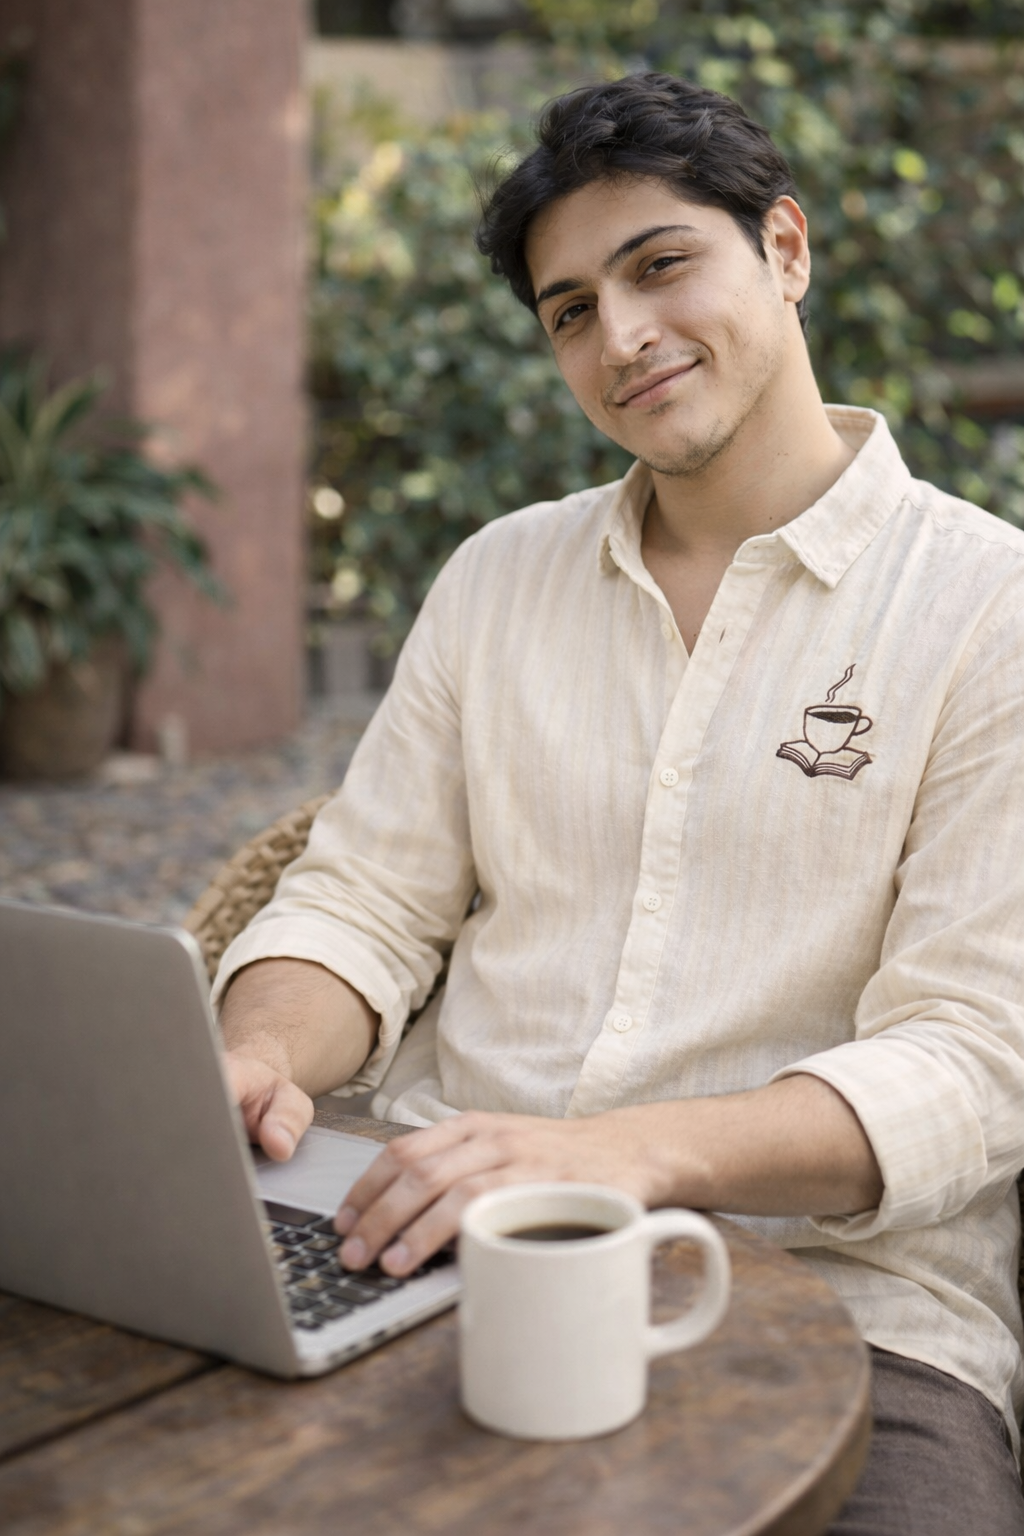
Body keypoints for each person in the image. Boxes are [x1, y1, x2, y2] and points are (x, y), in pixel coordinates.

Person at [216, 74, 1024, 1533]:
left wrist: (614, 1154)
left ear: (785, 249)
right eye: (571, 310)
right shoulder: (497, 579)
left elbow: (974, 1058)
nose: (623, 337)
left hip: (843, 1303)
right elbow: (362, 905)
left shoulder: (987, 608)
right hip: (431, 1239)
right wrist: (259, 1052)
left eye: (661, 265)